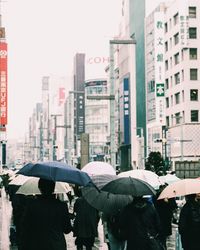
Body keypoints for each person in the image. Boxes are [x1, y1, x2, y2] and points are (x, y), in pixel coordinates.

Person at [19, 178, 72, 250]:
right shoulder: (61, 206)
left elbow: (25, 226)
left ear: (39, 188)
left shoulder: (32, 205)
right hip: (57, 245)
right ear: (53, 188)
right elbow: (67, 229)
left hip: (36, 244)